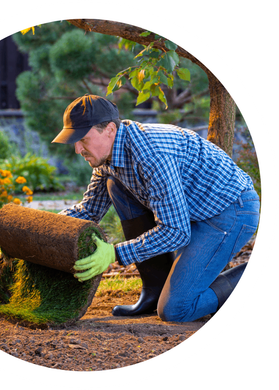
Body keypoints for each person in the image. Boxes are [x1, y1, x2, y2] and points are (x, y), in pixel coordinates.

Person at [52, 94, 260, 322]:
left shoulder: (151, 155)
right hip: (191, 214)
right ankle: (154, 290)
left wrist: (114, 253)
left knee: (176, 310)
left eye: (82, 138)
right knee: (116, 184)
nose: (77, 148)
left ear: (109, 130)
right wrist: (43, 229)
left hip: (229, 212)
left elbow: (176, 232)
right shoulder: (106, 157)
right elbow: (88, 210)